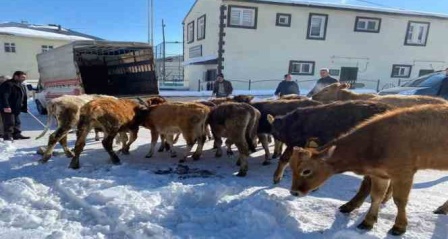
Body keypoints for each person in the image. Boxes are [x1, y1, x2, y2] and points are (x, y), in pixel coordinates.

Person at [0, 71, 30, 141]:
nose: (24, 79)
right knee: (9, 122)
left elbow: (22, 96)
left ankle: (17, 134)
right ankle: (8, 137)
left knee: (17, 122)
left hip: (16, 107)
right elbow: (4, 96)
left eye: (25, 77)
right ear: (16, 76)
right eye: (22, 77)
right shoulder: (8, 84)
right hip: (8, 107)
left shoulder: (21, 85)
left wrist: (24, 106)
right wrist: (6, 106)